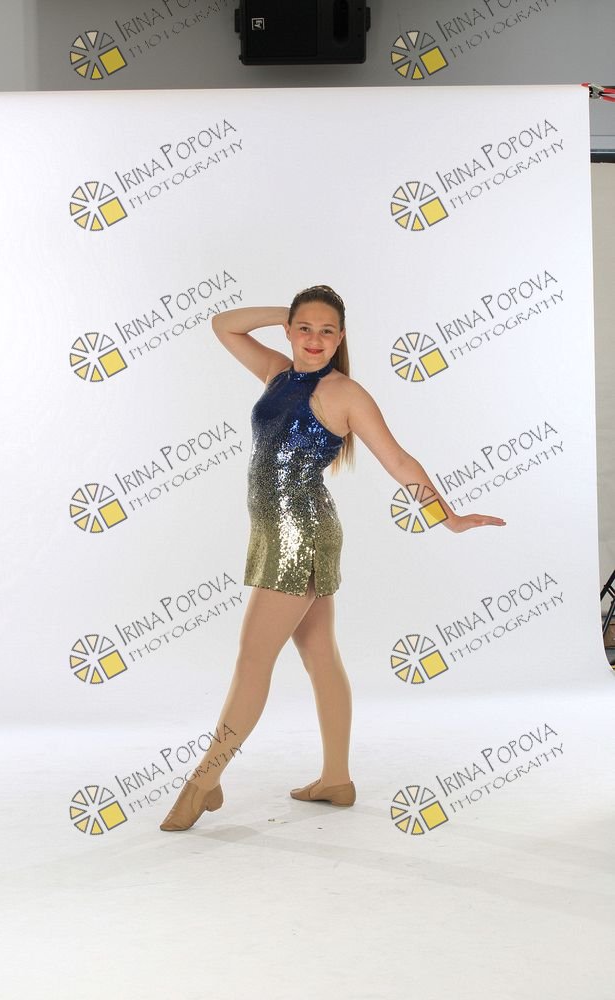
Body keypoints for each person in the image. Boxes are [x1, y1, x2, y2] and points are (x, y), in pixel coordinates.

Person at [159, 285, 506, 832]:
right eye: (304, 328)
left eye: (327, 331)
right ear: (289, 331)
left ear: (341, 337)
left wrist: (449, 517)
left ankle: (205, 780)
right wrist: (289, 313)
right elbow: (224, 324)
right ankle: (337, 779)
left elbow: (398, 460)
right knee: (320, 653)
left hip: (302, 537)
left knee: (252, 661)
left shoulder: (344, 393)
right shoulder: (277, 373)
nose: (315, 340)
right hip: (274, 533)